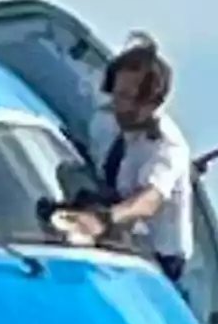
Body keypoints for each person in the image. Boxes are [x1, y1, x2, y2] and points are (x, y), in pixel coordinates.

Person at [61, 32, 193, 287]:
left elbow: (148, 201)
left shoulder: (167, 146)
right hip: (119, 239)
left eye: (132, 99)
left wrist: (104, 219)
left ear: (154, 101)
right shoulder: (103, 122)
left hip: (159, 260)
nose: (121, 106)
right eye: (118, 95)